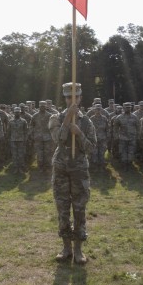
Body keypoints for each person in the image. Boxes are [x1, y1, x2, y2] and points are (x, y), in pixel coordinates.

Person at [48, 82, 96, 264]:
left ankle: (78, 250)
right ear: (65, 98)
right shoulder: (55, 118)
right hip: (61, 168)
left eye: (75, 97)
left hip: (79, 170)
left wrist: (80, 134)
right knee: (62, 208)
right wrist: (68, 118)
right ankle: (66, 247)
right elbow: (58, 139)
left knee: (79, 208)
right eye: (69, 97)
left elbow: (91, 148)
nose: (72, 100)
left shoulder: (86, 121)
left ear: (80, 98)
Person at [112, 102, 139, 171]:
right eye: (126, 107)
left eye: (129, 107)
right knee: (123, 152)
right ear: (123, 108)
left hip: (132, 138)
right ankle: (124, 165)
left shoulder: (134, 117)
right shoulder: (119, 117)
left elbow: (138, 127)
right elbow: (115, 128)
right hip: (122, 138)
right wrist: (116, 137)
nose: (128, 109)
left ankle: (129, 164)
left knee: (131, 152)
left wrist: (138, 137)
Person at [8, 107, 29, 173]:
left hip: (21, 140)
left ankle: (21, 168)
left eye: (18, 112)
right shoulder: (10, 121)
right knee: (14, 155)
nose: (17, 113)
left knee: (21, 154)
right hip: (13, 140)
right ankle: (15, 168)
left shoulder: (23, 121)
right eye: (16, 112)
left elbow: (26, 131)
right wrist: (8, 139)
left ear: (20, 113)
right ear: (14, 113)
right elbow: (9, 131)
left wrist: (25, 139)